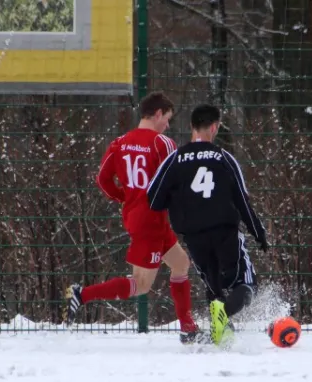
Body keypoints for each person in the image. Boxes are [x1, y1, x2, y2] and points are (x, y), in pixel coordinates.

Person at [64, 92, 201, 344]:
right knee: (141, 285)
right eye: (167, 119)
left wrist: (126, 197)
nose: (167, 125)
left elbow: (103, 180)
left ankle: (188, 328)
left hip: (138, 217)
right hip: (152, 221)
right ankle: (82, 295)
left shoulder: (120, 142)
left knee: (181, 263)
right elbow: (176, 182)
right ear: (158, 113)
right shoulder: (163, 143)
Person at [146, 103, 269, 346]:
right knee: (246, 285)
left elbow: (154, 198)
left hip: (194, 236)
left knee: (214, 286)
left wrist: (179, 199)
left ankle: (222, 335)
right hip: (225, 233)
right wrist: (258, 232)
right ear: (214, 127)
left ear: (192, 127)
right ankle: (222, 317)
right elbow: (242, 202)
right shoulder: (224, 158)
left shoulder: (175, 158)